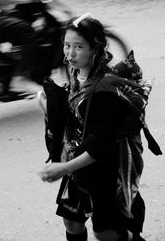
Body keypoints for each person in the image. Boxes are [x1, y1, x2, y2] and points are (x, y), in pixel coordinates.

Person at [38, 13, 162, 241]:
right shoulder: (76, 73)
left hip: (104, 169)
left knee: (105, 233)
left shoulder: (106, 91)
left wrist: (63, 168)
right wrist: (48, 109)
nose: (70, 53)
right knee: (72, 222)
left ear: (95, 48)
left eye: (78, 47)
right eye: (67, 45)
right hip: (78, 162)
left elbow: (100, 147)